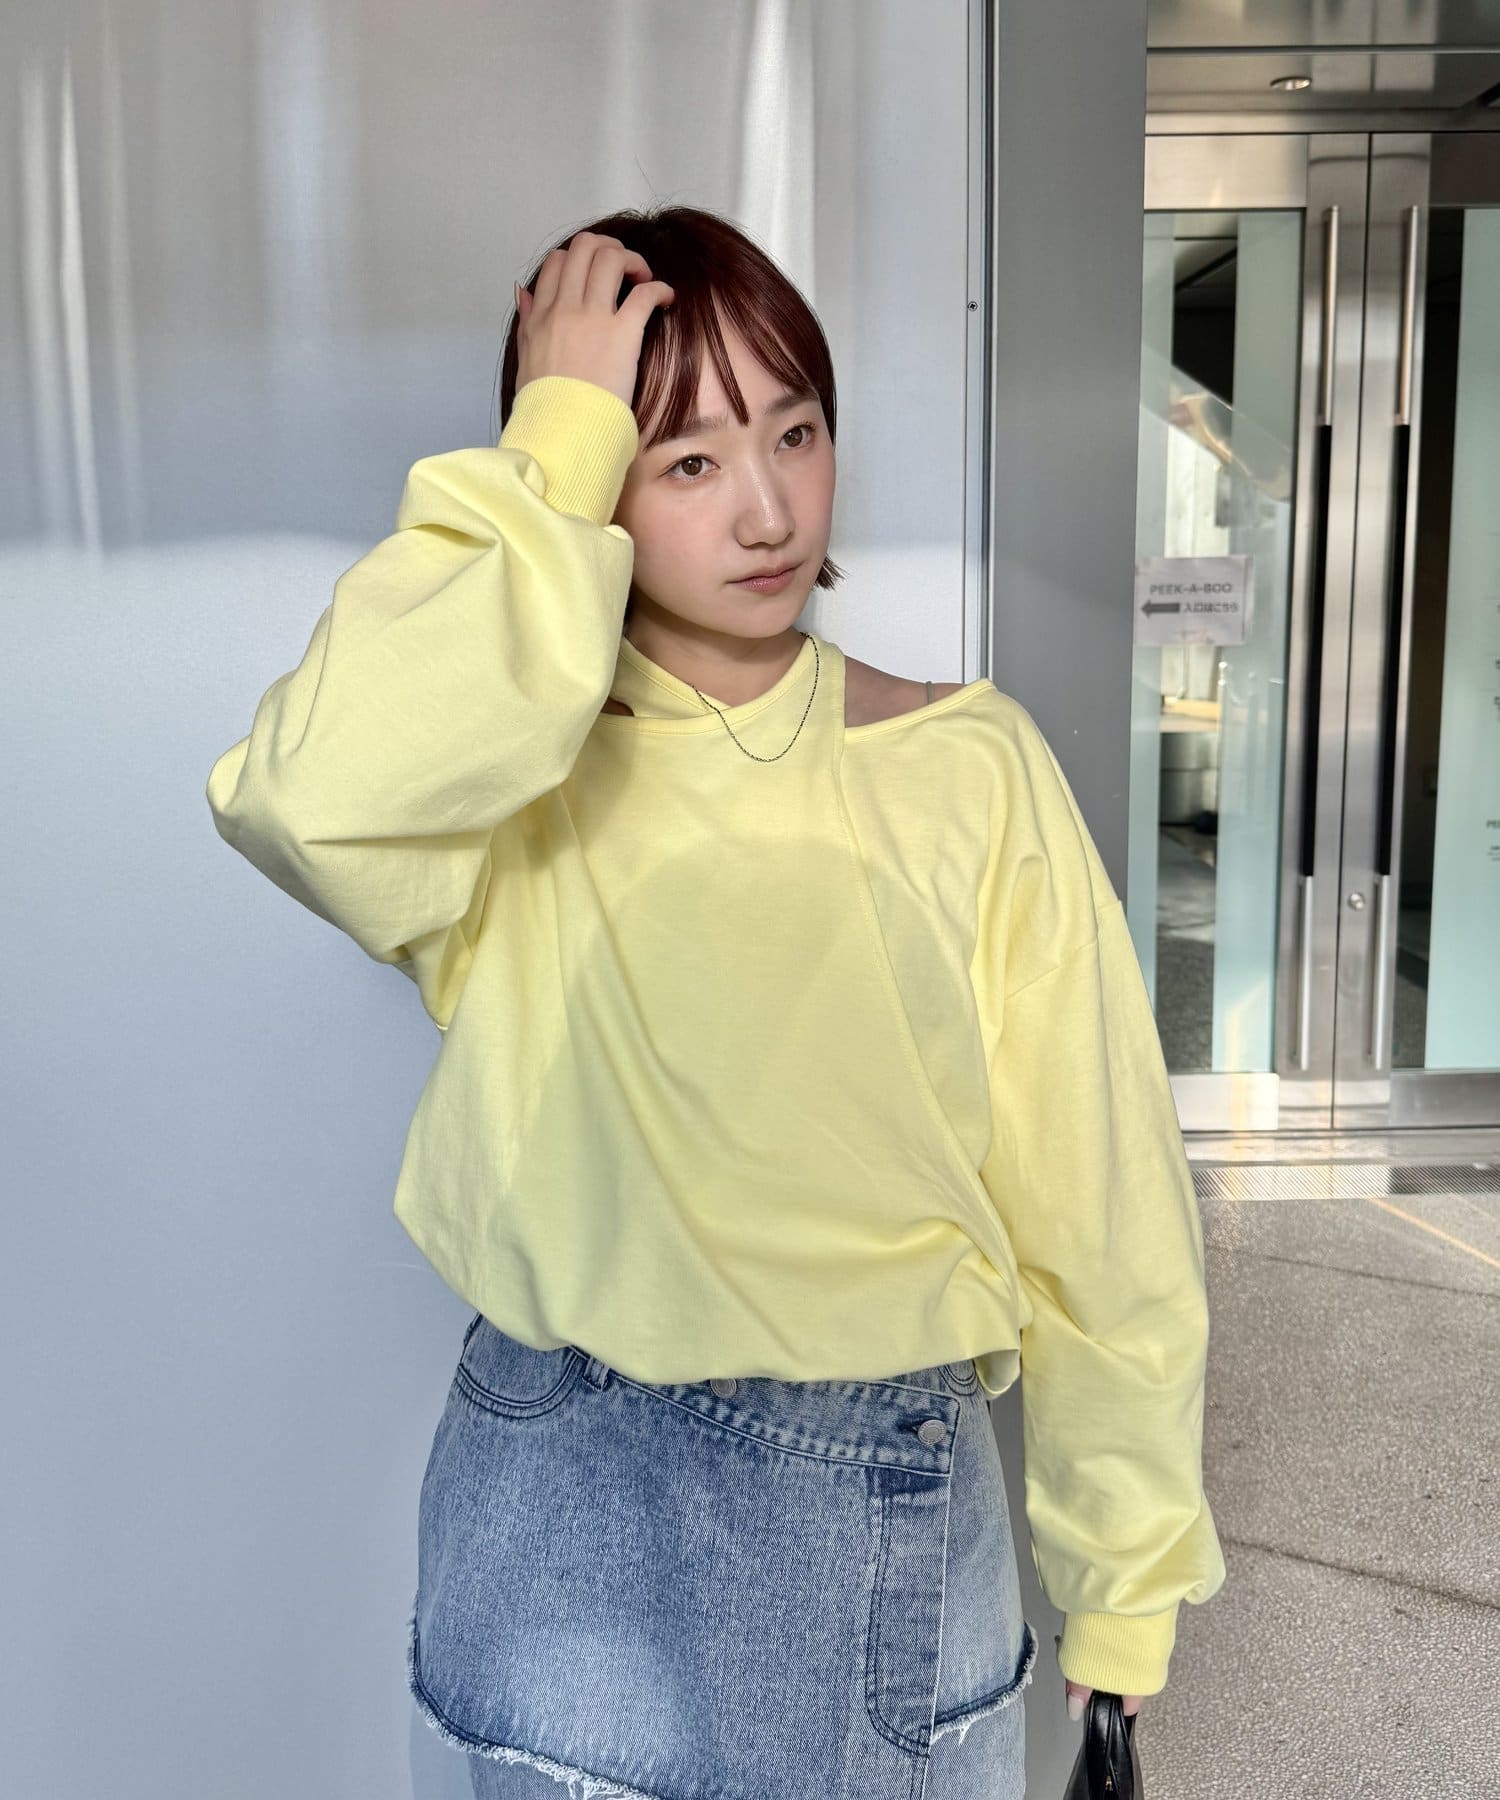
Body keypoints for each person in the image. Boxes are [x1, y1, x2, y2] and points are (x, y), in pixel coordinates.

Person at [205, 204, 1226, 1800]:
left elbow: (1101, 1201)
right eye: (684, 460)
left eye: (796, 433)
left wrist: (1126, 1569)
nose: (768, 508)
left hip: (881, 1493)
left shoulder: (968, 764)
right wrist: (556, 438)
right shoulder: (500, 783)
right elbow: (301, 801)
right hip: (559, 1497)